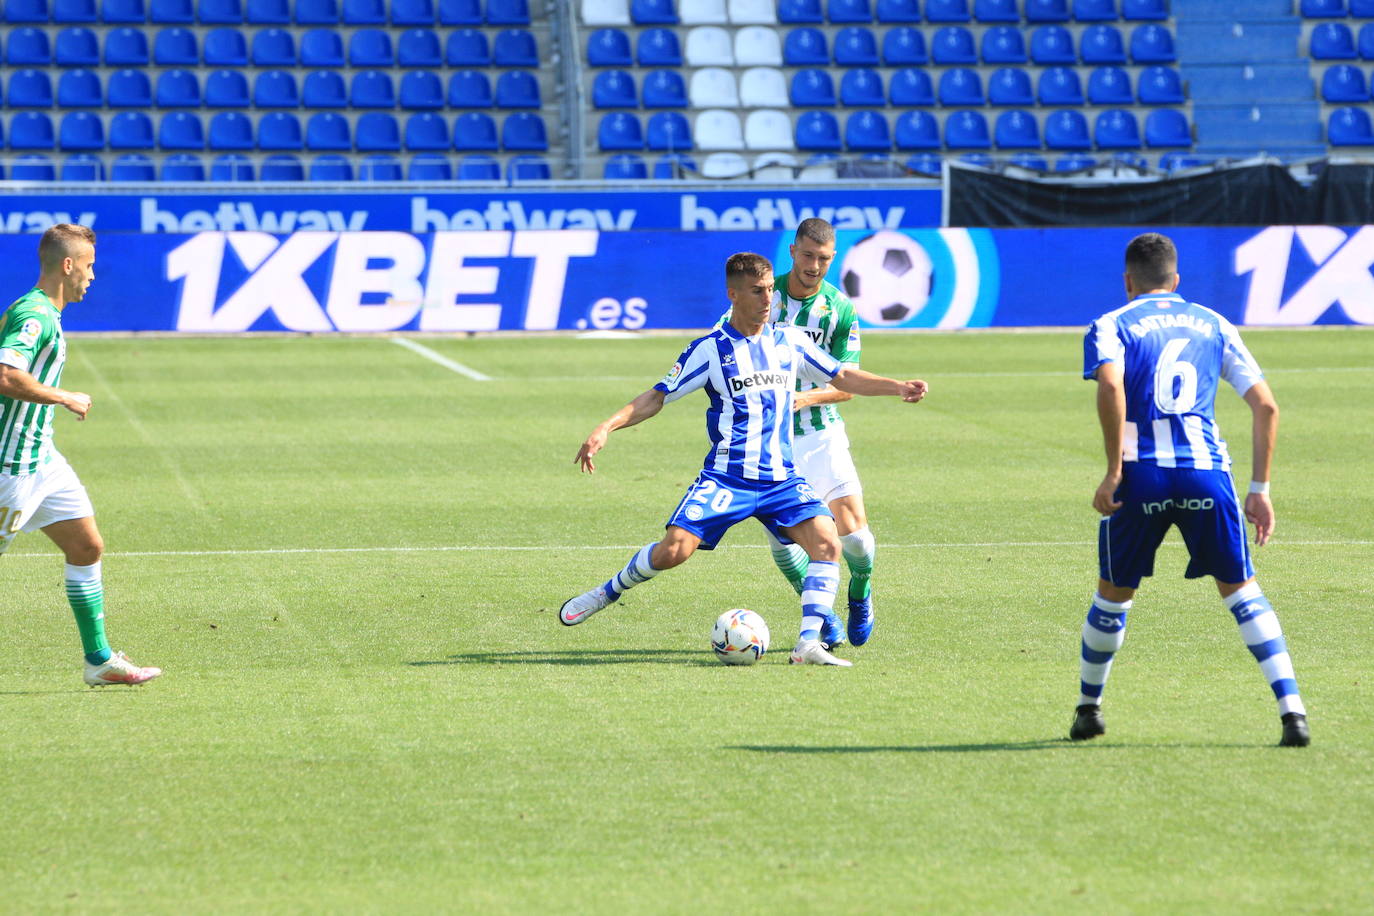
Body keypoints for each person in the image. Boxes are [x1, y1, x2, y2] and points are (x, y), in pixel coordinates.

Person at [559, 252, 928, 666]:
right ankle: (606, 592)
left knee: (828, 543)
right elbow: (657, 396)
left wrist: (896, 386)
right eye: (757, 291)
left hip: (781, 480)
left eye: (770, 289)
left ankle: (808, 644)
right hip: (726, 478)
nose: (767, 298)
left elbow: (842, 376)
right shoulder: (711, 350)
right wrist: (606, 427)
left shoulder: (788, 341)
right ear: (733, 294)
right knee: (674, 551)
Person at [1072, 232, 1306, 747]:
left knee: (1113, 596)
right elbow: (1267, 406)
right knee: (1242, 591)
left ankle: (1089, 709)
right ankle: (1293, 713)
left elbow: (1111, 385)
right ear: (1176, 281)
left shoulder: (1111, 324)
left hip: (1142, 476)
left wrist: (1114, 469)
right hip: (1207, 473)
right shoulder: (1214, 322)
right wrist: (1260, 488)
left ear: (1128, 281)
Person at [0, 224, 161, 687]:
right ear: (68, 265)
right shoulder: (35, 316)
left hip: (42, 460)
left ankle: (99, 660)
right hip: (11, 466)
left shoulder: (44, 311)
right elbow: (7, 376)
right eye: (88, 266)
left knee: (86, 545)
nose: (92, 275)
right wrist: (63, 396)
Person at [755, 218, 881, 650]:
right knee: (783, 543)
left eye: (824, 259)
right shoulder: (763, 299)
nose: (814, 265)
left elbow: (848, 384)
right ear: (792, 252)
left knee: (856, 538)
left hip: (822, 436)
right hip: (770, 445)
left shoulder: (840, 310)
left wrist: (803, 400)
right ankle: (822, 615)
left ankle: (860, 592)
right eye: (808, 255)